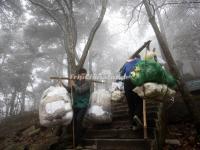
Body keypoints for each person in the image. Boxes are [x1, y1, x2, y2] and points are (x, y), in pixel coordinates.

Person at [62, 68, 91, 148]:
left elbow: (80, 91)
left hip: (83, 105)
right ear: (79, 75)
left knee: (78, 120)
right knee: (73, 122)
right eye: (82, 75)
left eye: (84, 75)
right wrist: (63, 84)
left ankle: (80, 143)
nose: (83, 77)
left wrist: (73, 83)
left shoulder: (87, 83)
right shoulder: (76, 82)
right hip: (75, 105)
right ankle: (75, 142)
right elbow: (69, 90)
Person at [120, 54, 143, 131]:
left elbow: (121, 73)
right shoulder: (140, 61)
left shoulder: (127, 62)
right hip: (136, 81)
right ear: (138, 57)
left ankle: (133, 125)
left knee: (130, 104)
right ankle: (137, 115)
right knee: (139, 101)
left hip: (127, 83)